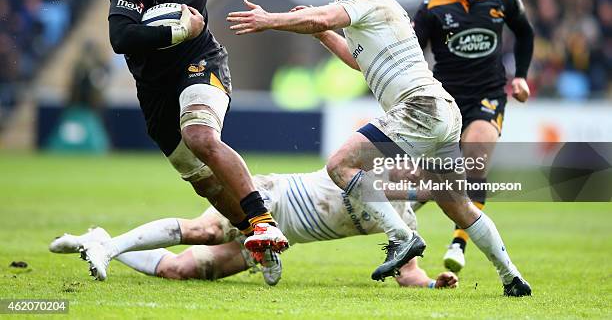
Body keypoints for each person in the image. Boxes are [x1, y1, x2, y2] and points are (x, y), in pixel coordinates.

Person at [226, 0, 531, 296]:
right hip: (442, 111)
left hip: (420, 107)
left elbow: (323, 16)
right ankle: (511, 277)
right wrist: (320, 34)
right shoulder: (377, 8)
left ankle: (402, 236)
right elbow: (359, 61)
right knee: (457, 205)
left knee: (340, 165)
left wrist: (269, 20)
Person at [94, 0, 311, 281]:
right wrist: (177, 32)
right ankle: (253, 239)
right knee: (204, 181)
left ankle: (263, 222)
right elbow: (121, 38)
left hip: (202, 63)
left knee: (200, 136)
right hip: (154, 87)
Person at [49, 169, 458, 289]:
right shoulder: (368, 165)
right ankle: (110, 246)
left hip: (277, 241)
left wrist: (432, 286)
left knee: (182, 270)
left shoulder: (405, 224)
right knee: (205, 231)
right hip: (270, 198)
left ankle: (100, 241)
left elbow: (409, 274)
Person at [413, 0, 534, 273]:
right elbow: (412, 54)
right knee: (424, 185)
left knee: (477, 152)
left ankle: (459, 242)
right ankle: (399, 236)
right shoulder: (431, 7)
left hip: (487, 97)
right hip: (445, 103)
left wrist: (521, 75)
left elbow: (525, 32)